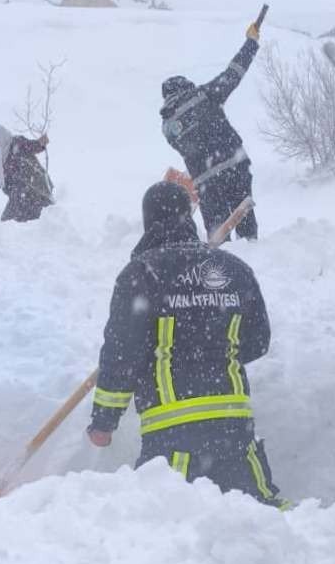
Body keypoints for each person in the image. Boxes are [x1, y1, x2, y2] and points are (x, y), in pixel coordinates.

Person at [85, 181, 286, 507]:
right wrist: (214, 353)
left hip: (173, 432)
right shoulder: (234, 270)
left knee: (167, 519)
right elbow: (258, 341)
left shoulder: (142, 273)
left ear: (149, 221)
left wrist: (104, 422)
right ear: (187, 216)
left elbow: (122, 355)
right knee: (262, 513)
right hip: (234, 427)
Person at [160, 20, 262, 241]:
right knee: (245, 224)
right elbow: (233, 74)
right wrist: (251, 42)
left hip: (206, 181)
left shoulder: (168, 128)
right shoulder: (204, 96)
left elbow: (191, 143)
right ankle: (252, 250)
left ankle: (220, 259)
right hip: (234, 165)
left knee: (217, 236)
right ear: (186, 87)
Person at [0, 124, 54, 222]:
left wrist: (40, 143)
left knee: (9, 222)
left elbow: (30, 146)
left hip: (34, 191)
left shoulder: (17, 143)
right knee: (9, 222)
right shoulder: (3, 157)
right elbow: (1, 176)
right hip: (21, 195)